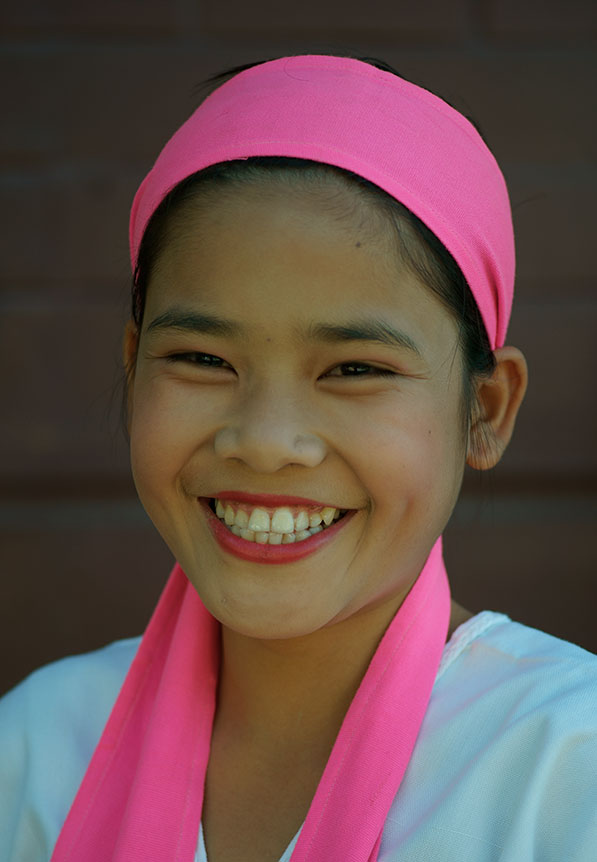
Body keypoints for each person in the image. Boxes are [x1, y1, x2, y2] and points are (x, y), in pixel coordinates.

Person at [1, 53, 596, 862]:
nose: (266, 441)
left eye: (355, 370)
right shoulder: (35, 748)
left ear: (483, 411)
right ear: (133, 363)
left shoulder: (563, 764)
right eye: (203, 360)